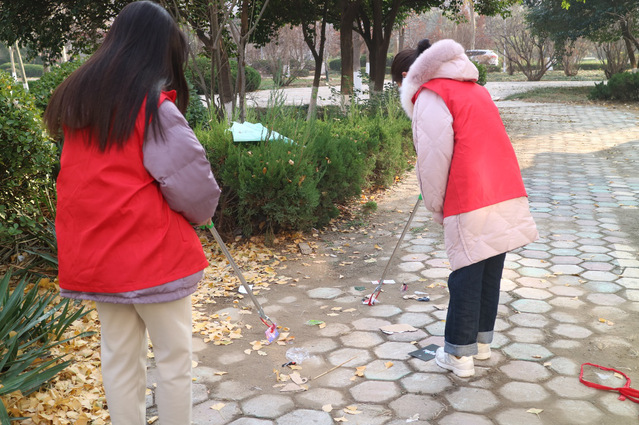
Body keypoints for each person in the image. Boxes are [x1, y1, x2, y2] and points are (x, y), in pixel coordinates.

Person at [43, 2, 221, 423]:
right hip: (154, 259)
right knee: (174, 360)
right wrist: (200, 216)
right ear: (159, 49)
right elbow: (193, 187)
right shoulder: (152, 108)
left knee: (119, 360)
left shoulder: (79, 105)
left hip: (99, 259)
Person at [391, 39, 538, 378]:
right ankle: (481, 345)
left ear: (407, 76)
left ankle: (458, 355)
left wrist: (435, 205)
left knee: (465, 274)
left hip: (469, 193)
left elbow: (433, 159)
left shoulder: (431, 94)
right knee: (488, 270)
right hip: (503, 186)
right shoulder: (475, 89)